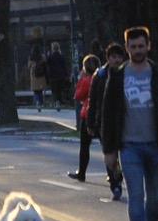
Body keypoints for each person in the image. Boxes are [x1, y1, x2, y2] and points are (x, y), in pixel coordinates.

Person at [92, 26, 158, 221]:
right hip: (129, 148)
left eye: (141, 46)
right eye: (133, 46)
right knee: (136, 197)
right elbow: (108, 114)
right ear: (127, 47)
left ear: (148, 46)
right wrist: (109, 150)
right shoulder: (118, 76)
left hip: (156, 146)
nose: (137, 50)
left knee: (155, 201)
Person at [84, 44, 127, 198]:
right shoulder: (100, 75)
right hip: (104, 121)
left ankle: (119, 174)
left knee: (125, 154)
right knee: (110, 154)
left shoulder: (127, 73)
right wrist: (90, 122)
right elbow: (93, 100)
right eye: (113, 57)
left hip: (124, 121)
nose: (116, 60)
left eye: (119, 57)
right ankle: (115, 182)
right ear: (108, 58)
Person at [68, 52, 101, 182]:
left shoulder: (87, 80)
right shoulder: (102, 77)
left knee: (85, 146)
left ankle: (82, 173)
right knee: (108, 147)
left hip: (87, 114)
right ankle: (114, 173)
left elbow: (78, 95)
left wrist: (81, 79)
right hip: (101, 115)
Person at [45, 44, 70, 109]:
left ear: (52, 48)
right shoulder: (61, 56)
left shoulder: (50, 56)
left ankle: (56, 102)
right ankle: (60, 101)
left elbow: (47, 64)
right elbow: (64, 66)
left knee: (54, 90)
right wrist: (66, 75)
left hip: (53, 76)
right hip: (61, 76)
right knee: (59, 89)